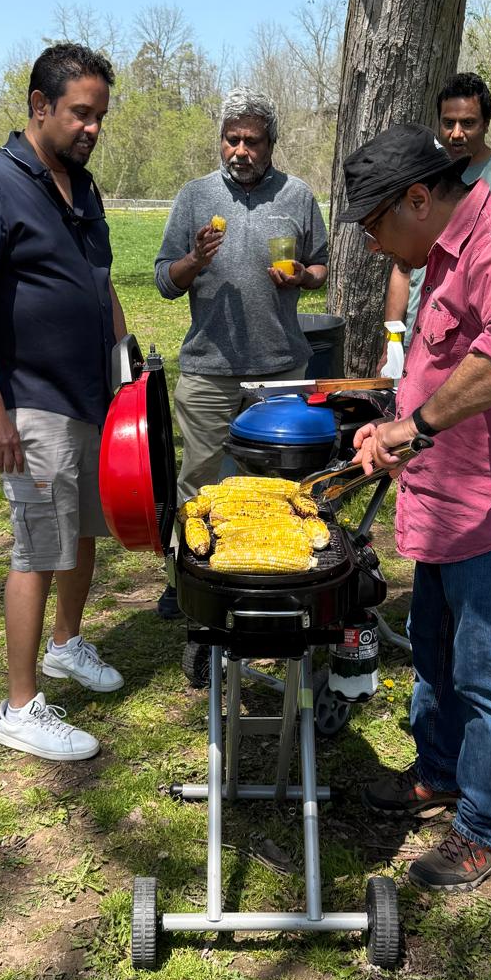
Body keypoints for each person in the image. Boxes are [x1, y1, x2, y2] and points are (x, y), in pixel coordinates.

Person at [341, 124, 491, 891]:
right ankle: (440, 773)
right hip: (445, 503)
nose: (377, 247)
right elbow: (439, 365)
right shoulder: (440, 260)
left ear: (419, 198)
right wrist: (393, 422)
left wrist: (413, 428)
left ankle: (486, 829)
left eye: (378, 227)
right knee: (437, 656)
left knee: (490, 674)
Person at [0, 41, 128, 762]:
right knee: (39, 546)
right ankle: (18, 707)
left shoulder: (82, 186)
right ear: (39, 106)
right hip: (32, 400)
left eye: (100, 116)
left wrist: (125, 364)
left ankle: (67, 644)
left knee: (82, 533)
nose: (92, 128)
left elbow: (100, 279)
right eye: (81, 113)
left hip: (90, 394)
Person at [153, 87, 328, 618]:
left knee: (281, 483)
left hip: (280, 370)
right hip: (209, 369)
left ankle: (280, 583)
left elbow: (320, 268)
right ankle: (187, 579)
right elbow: (165, 280)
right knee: (199, 482)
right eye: (232, 140)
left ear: (271, 143)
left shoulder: (296, 196)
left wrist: (302, 275)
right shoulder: (194, 197)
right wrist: (194, 261)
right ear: (221, 141)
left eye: (252, 141)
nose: (240, 151)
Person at [384, 72, 491, 361]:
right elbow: (402, 267)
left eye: (468, 123)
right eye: (448, 123)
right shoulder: (418, 178)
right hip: (420, 342)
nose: (456, 133)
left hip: (483, 347)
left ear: (486, 123)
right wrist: (392, 343)